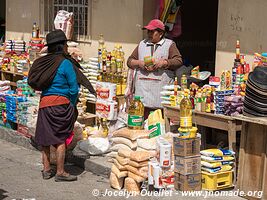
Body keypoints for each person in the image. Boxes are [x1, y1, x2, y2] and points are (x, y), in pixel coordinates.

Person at [28, 30, 96, 182]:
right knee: (60, 139)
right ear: (62, 46)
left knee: (45, 138)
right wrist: (70, 105)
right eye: (65, 44)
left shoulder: (43, 62)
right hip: (61, 104)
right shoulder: (65, 63)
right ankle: (60, 172)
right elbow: (73, 88)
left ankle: (46, 169)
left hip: (44, 104)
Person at [127, 19, 183, 118]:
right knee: (142, 121)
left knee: (158, 123)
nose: (149, 34)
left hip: (160, 93)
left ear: (161, 33)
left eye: (152, 31)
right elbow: (129, 61)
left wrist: (164, 63)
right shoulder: (142, 44)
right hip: (142, 92)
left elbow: (178, 61)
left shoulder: (169, 44)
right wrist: (140, 63)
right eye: (148, 31)